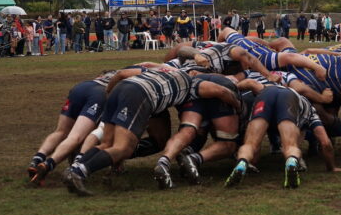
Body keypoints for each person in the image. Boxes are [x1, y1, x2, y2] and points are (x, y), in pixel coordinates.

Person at [61, 65, 241, 196]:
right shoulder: (193, 83)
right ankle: (79, 172)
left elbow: (121, 73)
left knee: (108, 143)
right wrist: (238, 106)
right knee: (123, 147)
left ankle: (75, 167)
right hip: (139, 94)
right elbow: (222, 92)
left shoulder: (162, 69)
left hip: (120, 88)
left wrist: (109, 95)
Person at [224, 83, 341, 188]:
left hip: (266, 93)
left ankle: (242, 162)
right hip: (288, 100)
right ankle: (291, 162)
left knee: (251, 143)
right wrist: (331, 167)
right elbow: (325, 142)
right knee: (290, 144)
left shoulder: (297, 100)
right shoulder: (311, 112)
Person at [27, 70, 118, 186]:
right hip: (98, 94)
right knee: (76, 137)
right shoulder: (125, 77)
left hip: (81, 87)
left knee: (60, 131)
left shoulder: (104, 75)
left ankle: (36, 160)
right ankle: (48, 165)